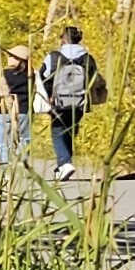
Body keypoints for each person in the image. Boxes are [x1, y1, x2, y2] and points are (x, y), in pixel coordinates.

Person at [39, 24, 106, 174]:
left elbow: (42, 76)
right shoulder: (88, 58)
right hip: (80, 101)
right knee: (70, 130)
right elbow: (94, 78)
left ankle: (65, 163)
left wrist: (47, 95)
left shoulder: (54, 56)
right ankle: (64, 164)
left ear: (63, 39)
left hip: (58, 101)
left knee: (57, 130)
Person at [0, 41, 40, 167]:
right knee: (24, 139)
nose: (9, 58)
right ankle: (22, 163)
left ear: (20, 60)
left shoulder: (4, 74)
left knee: (3, 142)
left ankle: (5, 166)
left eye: (12, 56)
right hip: (24, 110)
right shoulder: (31, 75)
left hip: (4, 111)